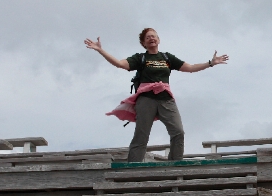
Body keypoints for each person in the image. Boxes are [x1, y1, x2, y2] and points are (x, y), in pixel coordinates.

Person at [85, 28, 228, 162]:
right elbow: (120, 64)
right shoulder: (140, 58)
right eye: (148, 37)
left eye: (153, 36)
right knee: (141, 135)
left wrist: (211, 63)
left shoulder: (167, 57)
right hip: (146, 99)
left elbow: (190, 67)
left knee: (178, 132)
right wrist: (100, 50)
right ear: (143, 43)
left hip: (166, 99)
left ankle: (175, 166)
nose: (151, 38)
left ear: (158, 40)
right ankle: (133, 169)